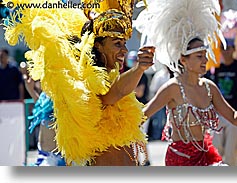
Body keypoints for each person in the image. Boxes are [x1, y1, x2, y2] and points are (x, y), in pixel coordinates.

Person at [3, 0, 154, 166]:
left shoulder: (114, 78)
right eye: (117, 44)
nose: (124, 50)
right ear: (98, 46)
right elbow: (113, 93)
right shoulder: (86, 82)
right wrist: (139, 68)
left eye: (124, 44)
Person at [135, 0, 237, 166]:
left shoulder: (209, 87)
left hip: (206, 156)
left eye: (205, 55)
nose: (205, 60)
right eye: (199, 56)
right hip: (179, 158)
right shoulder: (173, 87)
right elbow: (143, 116)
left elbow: (235, 119)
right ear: (184, 60)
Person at [204, 38, 237, 166]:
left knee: (232, 154)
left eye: (228, 48)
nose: (225, 51)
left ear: (234, 49)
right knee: (215, 152)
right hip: (218, 116)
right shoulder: (214, 69)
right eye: (222, 48)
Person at [24, 75, 66, 166]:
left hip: (54, 159)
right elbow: (42, 108)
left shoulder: (60, 97)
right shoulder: (46, 97)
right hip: (42, 155)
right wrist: (30, 90)